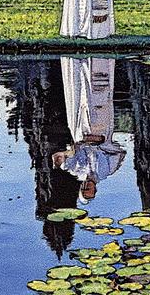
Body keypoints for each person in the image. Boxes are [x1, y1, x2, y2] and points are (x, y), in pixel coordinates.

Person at [52, 57, 125, 204]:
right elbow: (120, 153)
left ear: (80, 187)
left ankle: (77, 62)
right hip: (101, 128)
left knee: (80, 97)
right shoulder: (107, 171)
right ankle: (100, 60)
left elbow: (59, 158)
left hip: (81, 129)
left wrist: (64, 155)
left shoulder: (75, 170)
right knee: (99, 94)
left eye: (84, 189)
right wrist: (102, 143)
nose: (87, 186)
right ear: (95, 189)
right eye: (89, 190)